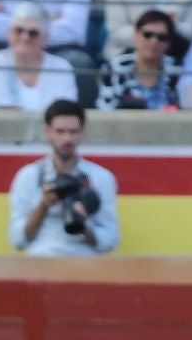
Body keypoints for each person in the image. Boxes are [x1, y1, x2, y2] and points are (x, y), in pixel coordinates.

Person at [7, 99, 120, 255]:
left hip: (84, 260)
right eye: (60, 131)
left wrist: (81, 225)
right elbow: (18, 240)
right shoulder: (29, 176)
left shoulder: (101, 178)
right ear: (48, 132)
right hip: (41, 259)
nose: (67, 139)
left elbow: (109, 240)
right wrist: (43, 206)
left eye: (73, 132)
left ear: (82, 132)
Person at [0, 0, 82, 107]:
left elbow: (64, 113)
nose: (25, 37)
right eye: (19, 31)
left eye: (33, 33)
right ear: (9, 33)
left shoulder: (61, 68)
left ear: (45, 38)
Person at [97, 6, 183, 108]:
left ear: (169, 43)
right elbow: (105, 109)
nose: (154, 41)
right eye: (147, 35)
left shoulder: (178, 71)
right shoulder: (115, 67)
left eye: (162, 37)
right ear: (136, 35)